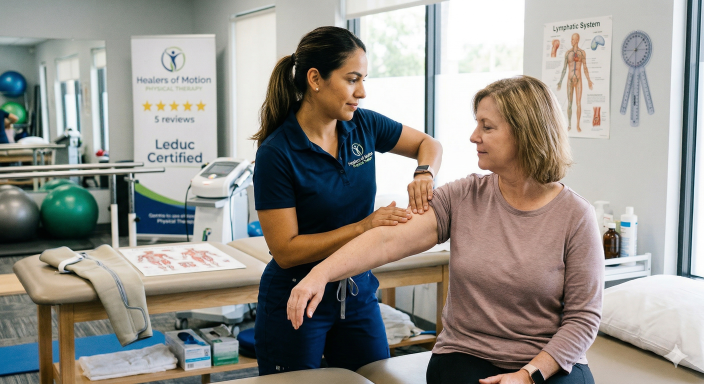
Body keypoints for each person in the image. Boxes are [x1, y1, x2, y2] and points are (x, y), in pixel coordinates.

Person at [287, 76, 603, 384]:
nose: (473, 136)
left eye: (487, 127)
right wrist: (321, 273)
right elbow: (386, 239)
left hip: (549, 364)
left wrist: (527, 376)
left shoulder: (576, 216)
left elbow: (583, 320)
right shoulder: (462, 197)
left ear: (527, 135)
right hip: (467, 355)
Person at [252, 26, 443, 376]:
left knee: (375, 378)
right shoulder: (277, 153)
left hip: (356, 294)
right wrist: (363, 226)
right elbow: (286, 250)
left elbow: (428, 144)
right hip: (298, 296)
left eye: (364, 79)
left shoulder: (362, 126)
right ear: (315, 79)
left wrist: (424, 173)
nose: (362, 92)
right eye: (352, 79)